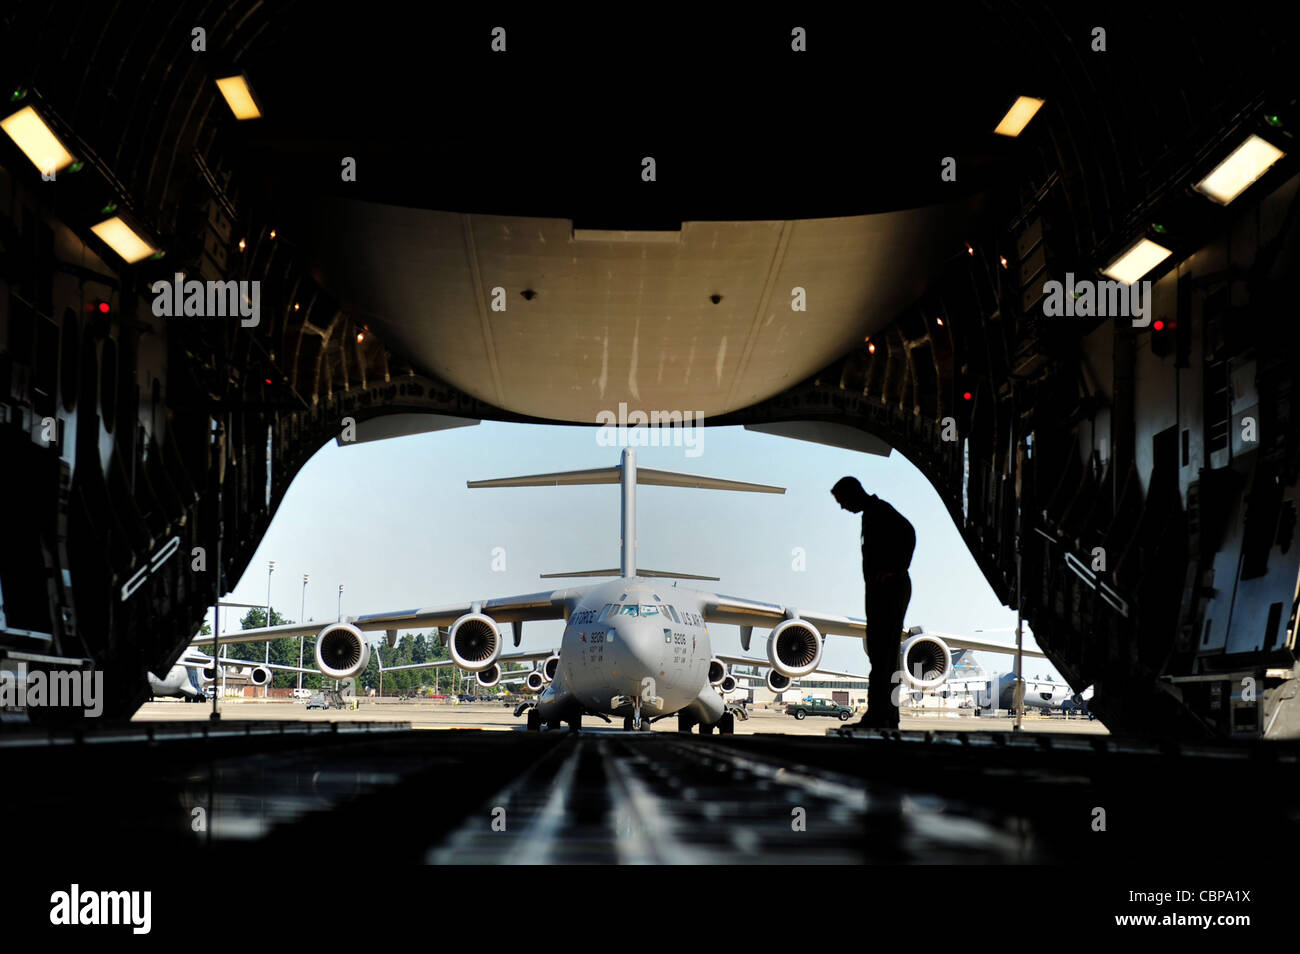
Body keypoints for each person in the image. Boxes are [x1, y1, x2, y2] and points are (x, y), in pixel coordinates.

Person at [830, 476, 915, 729]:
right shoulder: (872, 514)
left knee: (883, 654)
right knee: (882, 654)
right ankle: (886, 715)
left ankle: (880, 715)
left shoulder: (879, 512)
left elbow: (909, 533)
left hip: (890, 589)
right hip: (881, 591)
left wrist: (895, 569)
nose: (843, 507)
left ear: (854, 493)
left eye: (843, 501)